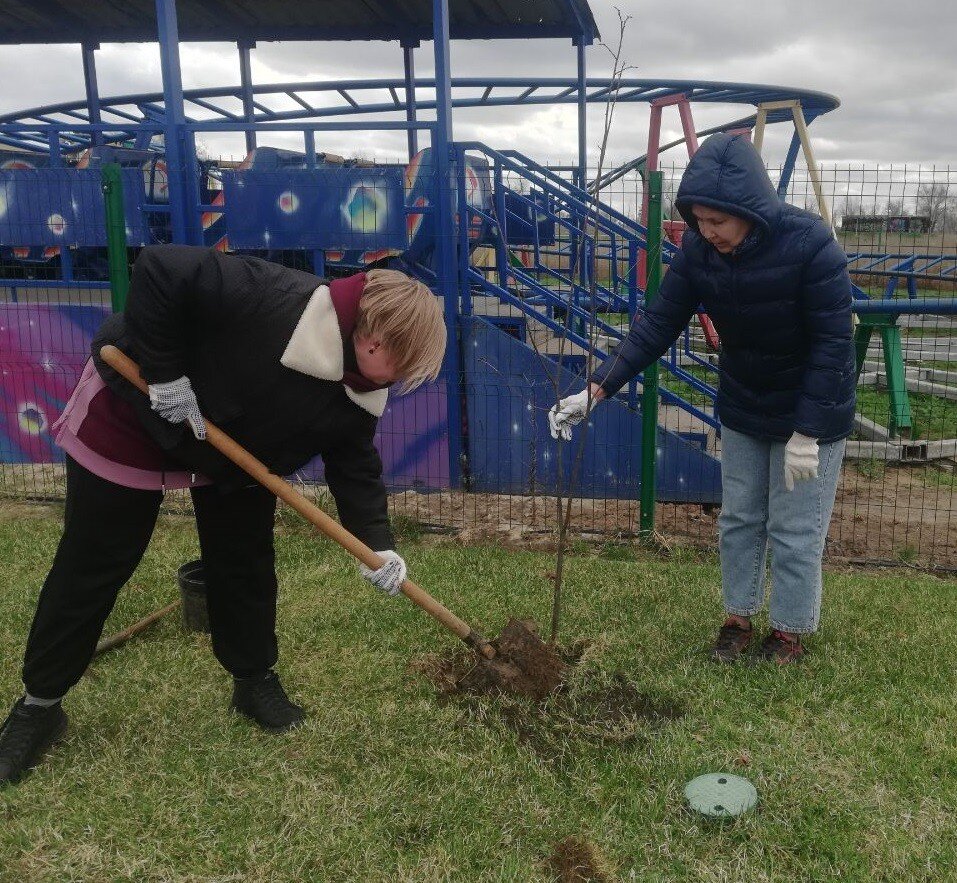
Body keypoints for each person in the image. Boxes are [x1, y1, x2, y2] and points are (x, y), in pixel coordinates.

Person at [0, 245, 446, 786]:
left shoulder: (361, 387)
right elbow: (160, 269)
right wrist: (165, 375)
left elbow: (355, 465)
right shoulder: (271, 295)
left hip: (231, 447)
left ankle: (253, 680)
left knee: (244, 563)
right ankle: (39, 705)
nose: (399, 381)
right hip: (138, 408)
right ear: (374, 339)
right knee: (96, 563)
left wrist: (380, 545)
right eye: (401, 365)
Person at [549, 133, 855, 665]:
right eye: (699, 221)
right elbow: (659, 324)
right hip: (743, 401)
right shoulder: (698, 251)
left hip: (811, 406)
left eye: (717, 222)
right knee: (739, 518)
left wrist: (809, 430)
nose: (706, 232)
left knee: (793, 527)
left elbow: (834, 344)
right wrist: (599, 387)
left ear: (749, 210)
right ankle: (738, 618)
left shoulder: (811, 245)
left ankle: (788, 633)